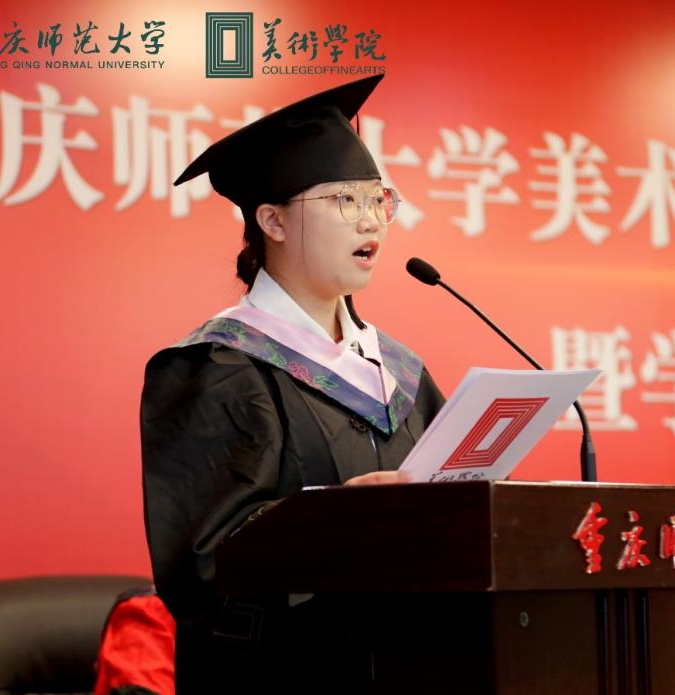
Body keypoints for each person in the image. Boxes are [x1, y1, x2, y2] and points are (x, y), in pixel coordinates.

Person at [139, 75, 445, 693]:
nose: (370, 220)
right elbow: (203, 565)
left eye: (378, 199)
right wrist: (331, 522)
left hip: (410, 666)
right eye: (343, 200)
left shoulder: (397, 370)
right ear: (273, 221)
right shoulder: (219, 367)